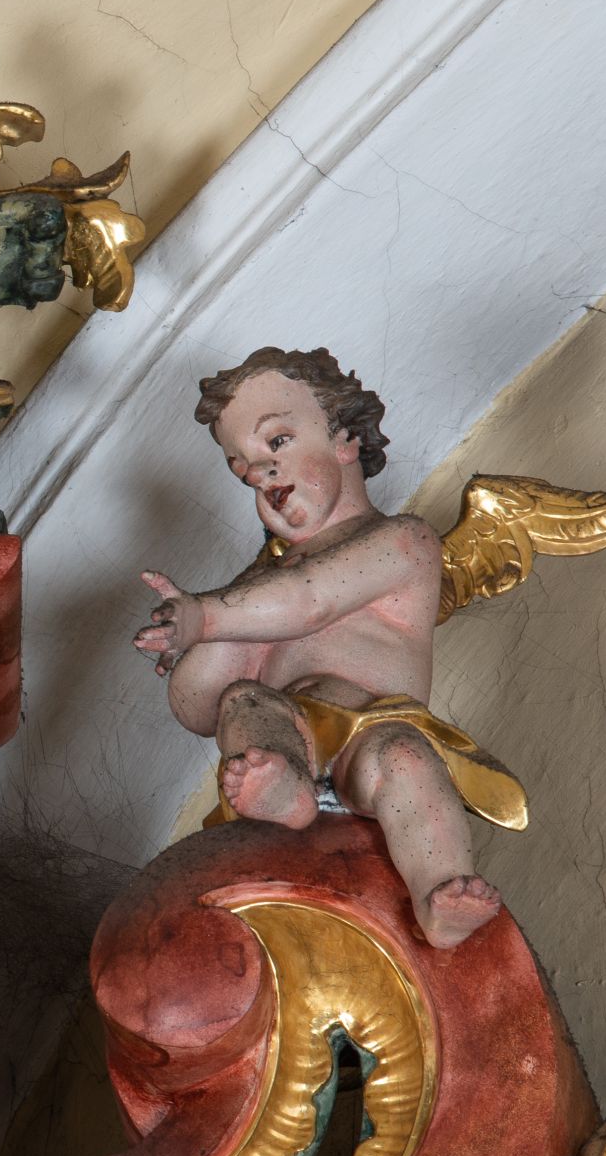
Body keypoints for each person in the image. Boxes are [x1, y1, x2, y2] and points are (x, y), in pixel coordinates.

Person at [132, 348, 508, 949]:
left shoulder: (404, 540)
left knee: (406, 760)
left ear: (345, 440)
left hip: (372, 730)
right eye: (242, 467)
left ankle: (440, 893)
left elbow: (311, 599)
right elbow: (197, 705)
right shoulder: (261, 587)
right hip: (291, 736)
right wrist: (205, 632)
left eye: (276, 443)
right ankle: (284, 791)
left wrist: (206, 617)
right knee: (244, 703)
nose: (259, 473)